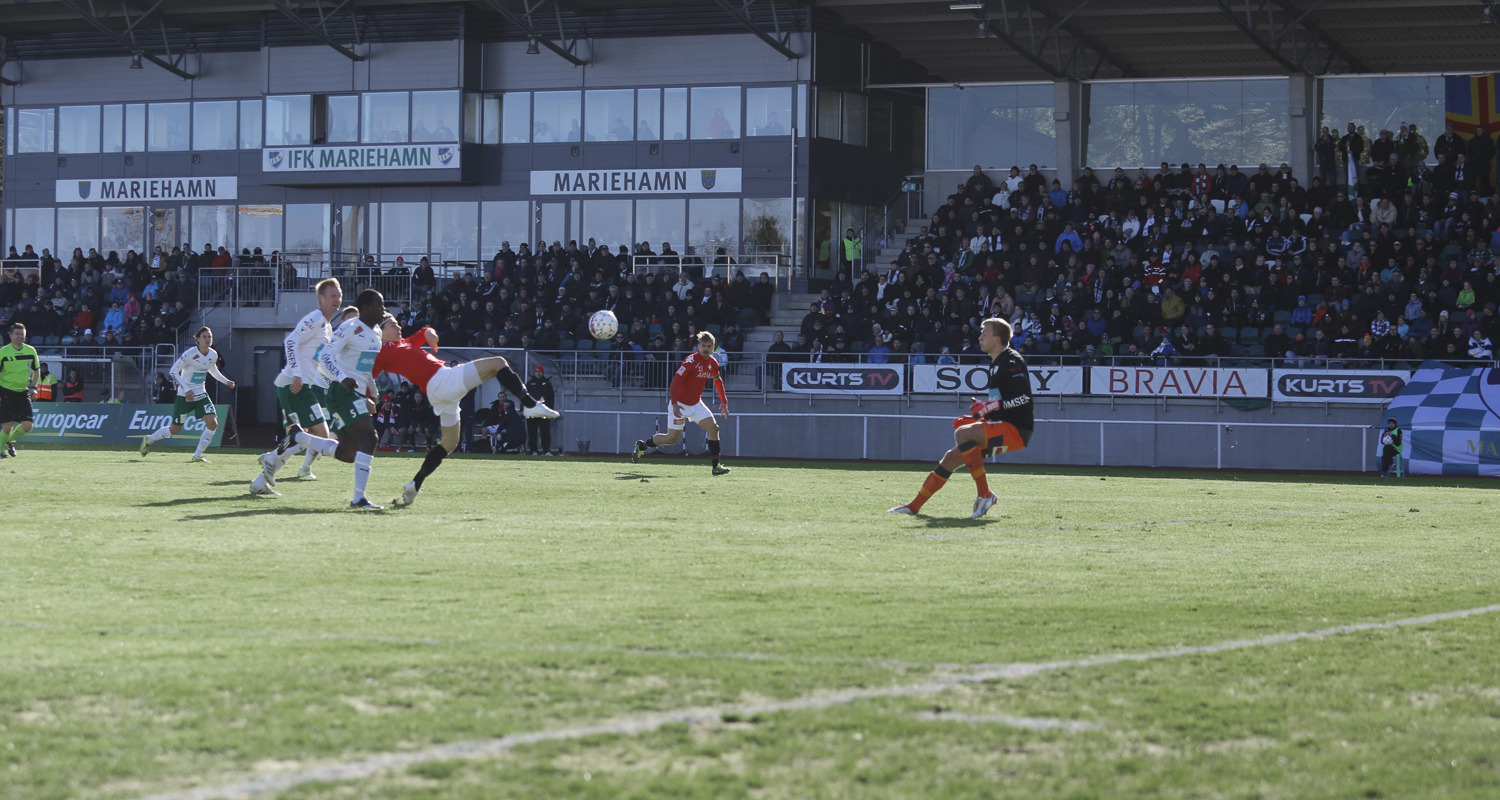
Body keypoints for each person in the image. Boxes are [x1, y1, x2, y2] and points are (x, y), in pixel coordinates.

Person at [371, 316, 559, 507]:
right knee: (498, 363)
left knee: (450, 442)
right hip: (442, 380)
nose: (398, 327)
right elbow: (369, 373)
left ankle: (414, 485)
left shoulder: (403, 343)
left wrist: (430, 334)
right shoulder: (382, 351)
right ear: (380, 332)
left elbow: (423, 332)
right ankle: (529, 404)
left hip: (438, 391)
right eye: (392, 325)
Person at [889, 317, 1033, 519]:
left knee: (963, 433)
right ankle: (913, 506)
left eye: (985, 333)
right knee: (950, 457)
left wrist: (990, 406)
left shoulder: (1011, 360)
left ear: (998, 339)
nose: (980, 337)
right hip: (1001, 424)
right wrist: (984, 410)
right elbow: (999, 403)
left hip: (1016, 429)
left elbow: (1023, 398)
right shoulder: (996, 363)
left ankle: (985, 495)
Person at [269, 289, 387, 509]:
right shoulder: (350, 328)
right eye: (380, 306)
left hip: (357, 393)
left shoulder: (377, 331)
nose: (384, 310)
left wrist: (371, 389)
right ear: (367, 308)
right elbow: (325, 356)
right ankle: (359, 499)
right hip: (342, 393)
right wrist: (342, 378)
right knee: (369, 437)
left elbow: (365, 365)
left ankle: (300, 436)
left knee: (349, 453)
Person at [251, 279, 354, 494]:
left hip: (296, 384)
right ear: (321, 298)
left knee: (302, 434)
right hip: (295, 384)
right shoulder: (316, 318)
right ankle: (271, 458)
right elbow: (291, 341)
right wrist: (297, 373)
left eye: (339, 295)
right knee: (321, 435)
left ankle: (260, 482)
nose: (338, 300)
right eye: (333, 296)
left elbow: (320, 360)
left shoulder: (326, 327)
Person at [632, 331, 731, 476]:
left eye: (709, 346)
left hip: (696, 404)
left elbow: (718, 380)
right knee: (671, 439)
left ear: (713, 348)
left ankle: (716, 466)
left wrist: (724, 402)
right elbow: (674, 384)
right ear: (698, 346)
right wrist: (675, 404)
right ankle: (642, 446)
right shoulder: (690, 361)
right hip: (679, 404)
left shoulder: (713, 363)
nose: (705, 348)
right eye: (703, 345)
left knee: (714, 429)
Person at [139, 326, 235, 462]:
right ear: (198, 339)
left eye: (210, 337)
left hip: (201, 394)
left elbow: (212, 371)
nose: (208, 339)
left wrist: (226, 382)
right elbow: (173, 371)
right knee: (175, 429)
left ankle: (198, 455)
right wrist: (186, 389)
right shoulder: (190, 354)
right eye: (205, 337)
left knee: (213, 423)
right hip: (184, 396)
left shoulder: (213, 354)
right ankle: (149, 440)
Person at [0, 323, 40, 458]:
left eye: (22, 334)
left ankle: (9, 440)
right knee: (8, 425)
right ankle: (1, 451)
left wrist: (34, 387)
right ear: (11, 335)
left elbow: (36, 369)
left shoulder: (31, 350)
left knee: (28, 426)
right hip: (5, 392)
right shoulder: (3, 352)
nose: (20, 336)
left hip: (23, 392)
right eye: (17, 334)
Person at [525, 365, 557, 455]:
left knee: (545, 432)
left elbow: (551, 398)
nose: (538, 373)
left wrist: (550, 410)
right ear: (534, 373)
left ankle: (546, 450)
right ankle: (533, 450)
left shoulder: (547, 384)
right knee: (532, 432)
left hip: (544, 411)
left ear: (543, 373)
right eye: (537, 371)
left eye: (540, 372)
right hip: (532, 411)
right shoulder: (529, 383)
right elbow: (524, 396)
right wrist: (523, 409)